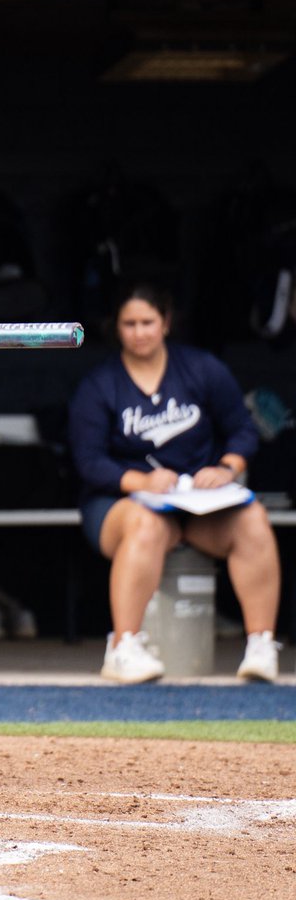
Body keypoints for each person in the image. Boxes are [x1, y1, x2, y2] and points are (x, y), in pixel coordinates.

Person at [68, 282, 283, 684]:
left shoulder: (201, 368)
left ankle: (260, 645)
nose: (139, 332)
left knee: (252, 517)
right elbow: (89, 461)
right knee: (147, 524)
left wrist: (227, 467)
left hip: (198, 501)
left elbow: (242, 430)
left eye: (148, 322)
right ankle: (124, 647)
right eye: (129, 323)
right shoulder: (100, 384)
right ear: (117, 328)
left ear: (165, 322)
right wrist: (143, 481)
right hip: (122, 502)